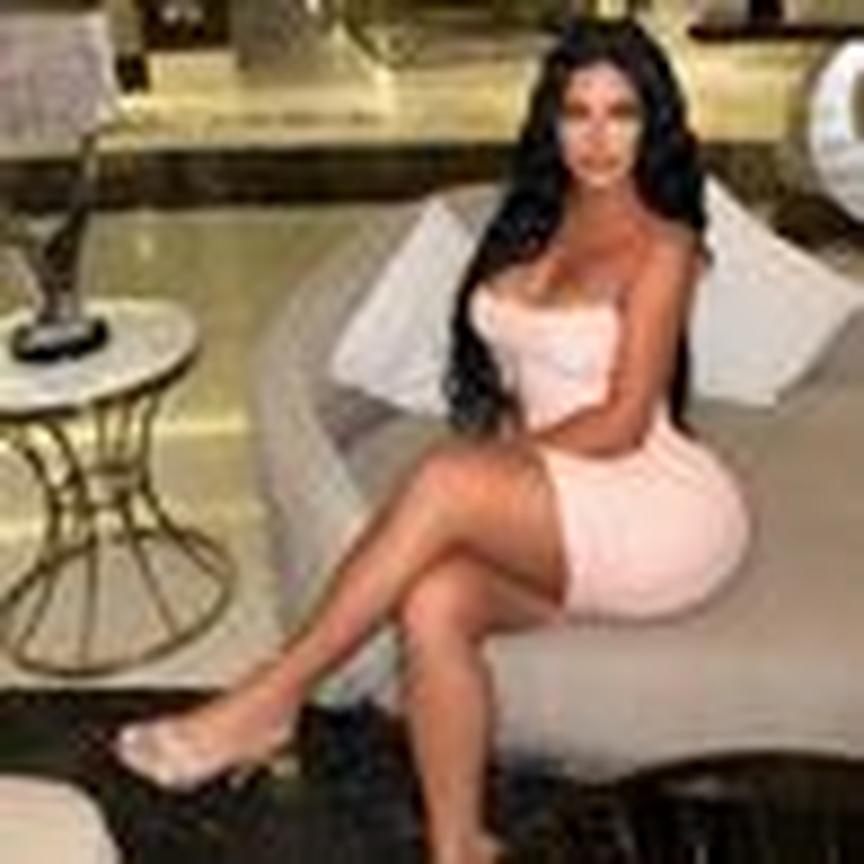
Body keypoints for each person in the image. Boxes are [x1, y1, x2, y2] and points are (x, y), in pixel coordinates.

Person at [115, 16, 751, 864]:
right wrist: (499, 470)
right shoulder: (534, 220)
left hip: (653, 507)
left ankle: (273, 696)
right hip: (568, 508)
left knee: (448, 479)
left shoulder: (665, 247)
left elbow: (626, 418)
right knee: (432, 600)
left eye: (622, 114)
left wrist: (488, 475)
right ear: (551, 121)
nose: (599, 139)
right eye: (578, 113)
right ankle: (459, 846)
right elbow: (517, 382)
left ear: (653, 124)